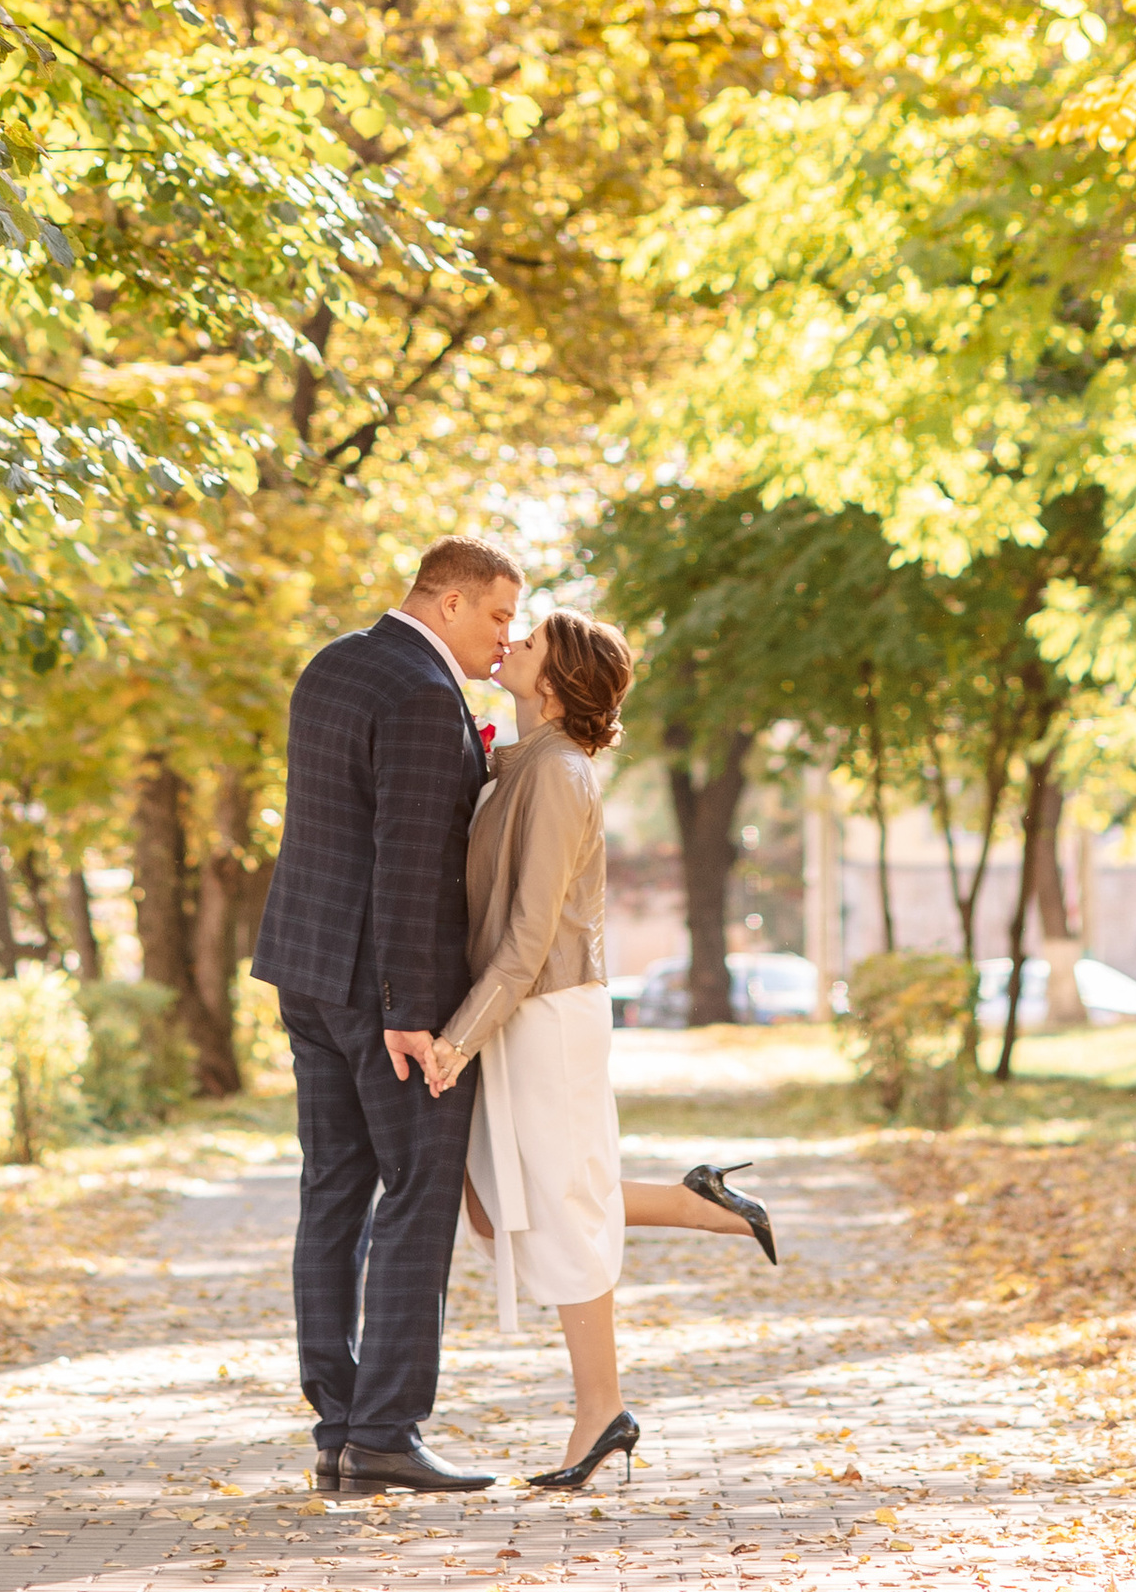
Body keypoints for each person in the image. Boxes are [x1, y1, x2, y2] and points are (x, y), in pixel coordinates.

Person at [425, 608, 777, 1491]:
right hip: (516, 1008)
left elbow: (532, 931)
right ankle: (698, 1202)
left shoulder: (561, 773)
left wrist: (459, 1040)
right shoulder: (527, 761)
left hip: (543, 1013)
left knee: (559, 1208)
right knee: (498, 1209)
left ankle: (602, 1413)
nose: (511, 643)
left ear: (553, 682)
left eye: (529, 642)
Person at [249, 533, 522, 1497]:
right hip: (385, 994)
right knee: (416, 1190)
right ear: (448, 602)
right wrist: (411, 1007)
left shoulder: (334, 663)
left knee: (332, 1192)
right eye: (497, 615)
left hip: (308, 971)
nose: (507, 636)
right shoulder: (419, 690)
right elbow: (406, 856)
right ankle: (386, 1433)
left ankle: (338, 1425)